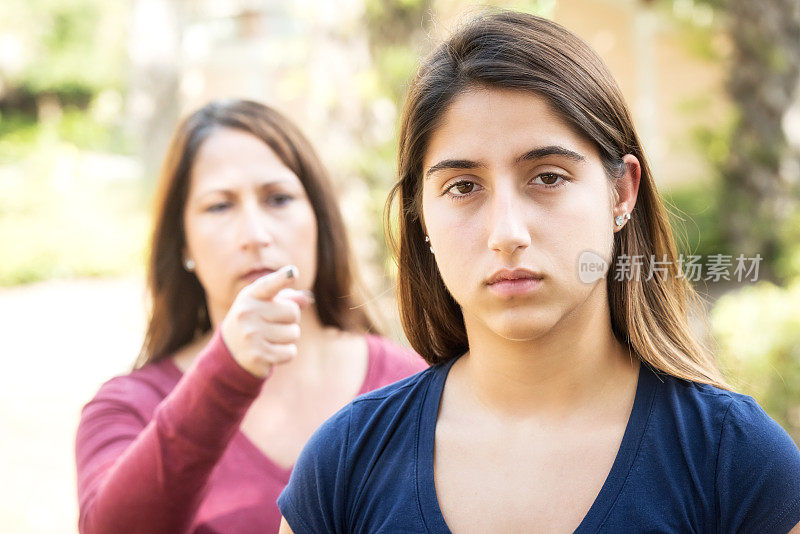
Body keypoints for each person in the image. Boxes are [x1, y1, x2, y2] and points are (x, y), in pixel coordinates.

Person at [276, 12, 800, 533]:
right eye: (463, 186)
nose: (507, 233)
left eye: (547, 177)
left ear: (621, 193)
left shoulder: (734, 461)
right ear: (420, 215)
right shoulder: (343, 466)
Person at [74, 99, 428, 534]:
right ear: (182, 243)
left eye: (278, 199)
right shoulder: (128, 408)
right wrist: (227, 372)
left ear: (319, 220)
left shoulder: (411, 382)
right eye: (220, 206)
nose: (255, 236)